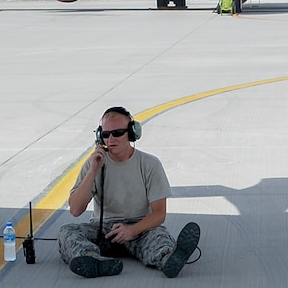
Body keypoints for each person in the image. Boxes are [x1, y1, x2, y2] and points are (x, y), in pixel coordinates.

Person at [59, 106, 201, 278]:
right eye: (105, 134)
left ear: (132, 133)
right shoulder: (94, 164)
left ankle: (168, 259)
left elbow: (159, 214)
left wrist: (131, 231)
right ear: (99, 137)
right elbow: (75, 209)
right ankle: (93, 260)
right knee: (67, 232)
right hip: (103, 230)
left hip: (140, 228)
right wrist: (92, 171)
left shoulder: (149, 164)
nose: (111, 139)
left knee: (159, 237)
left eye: (118, 132)